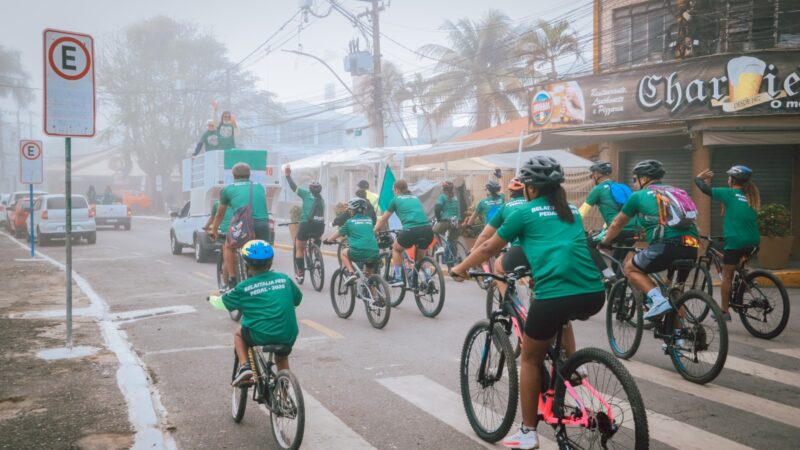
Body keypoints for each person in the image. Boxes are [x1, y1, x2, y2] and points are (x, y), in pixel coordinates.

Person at [452, 156, 605, 450]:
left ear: (531, 188)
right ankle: (571, 366)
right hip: (594, 293)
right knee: (560, 316)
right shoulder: (572, 210)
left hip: (555, 296)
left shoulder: (523, 212)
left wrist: (460, 269)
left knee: (531, 359)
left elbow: (487, 246)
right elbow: (561, 245)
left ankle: (527, 432)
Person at [599, 160, 699, 321]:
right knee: (675, 293)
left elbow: (617, 223)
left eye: (634, 179)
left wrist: (605, 242)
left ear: (644, 178)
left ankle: (658, 301)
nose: (634, 183)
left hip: (667, 247)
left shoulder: (638, 196)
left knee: (630, 269)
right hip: (692, 247)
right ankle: (680, 337)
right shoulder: (677, 191)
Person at [207, 240, 302, 385]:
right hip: (287, 333)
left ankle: (245, 367)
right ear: (270, 263)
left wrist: (212, 298)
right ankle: (284, 394)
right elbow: (297, 300)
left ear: (246, 265)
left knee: (239, 333)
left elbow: (223, 303)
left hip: (261, 335)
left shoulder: (243, 287)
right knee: (282, 358)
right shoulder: (284, 279)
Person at [695, 165, 760, 320]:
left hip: (736, 241)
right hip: (754, 241)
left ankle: (724, 311)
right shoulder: (750, 196)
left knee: (727, 276)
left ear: (732, 179)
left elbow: (704, 189)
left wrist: (698, 178)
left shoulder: (729, 193)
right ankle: (747, 279)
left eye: (729, 177)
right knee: (735, 263)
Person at [209, 163, 270, 288]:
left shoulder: (228, 189)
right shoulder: (259, 187)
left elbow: (219, 214)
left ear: (233, 175)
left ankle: (232, 279)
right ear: (249, 175)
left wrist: (214, 229)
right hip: (263, 224)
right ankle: (264, 276)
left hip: (245, 224)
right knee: (263, 250)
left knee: (228, 246)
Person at [468, 178, 529, 299]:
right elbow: (502, 187)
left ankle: (488, 277)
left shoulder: (483, 202)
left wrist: (468, 224)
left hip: (491, 230)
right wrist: (500, 177)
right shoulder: (501, 198)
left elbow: (473, 217)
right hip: (507, 230)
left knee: (485, 257)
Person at [579, 160, 639, 280]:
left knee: (587, 243)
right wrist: (602, 229)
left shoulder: (598, 189)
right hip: (636, 230)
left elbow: (580, 214)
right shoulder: (621, 187)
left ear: (597, 174)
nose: (592, 178)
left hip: (618, 229)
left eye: (592, 175)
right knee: (616, 262)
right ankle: (619, 289)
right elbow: (619, 213)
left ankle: (606, 273)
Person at [373, 179, 434, 283]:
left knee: (396, 249)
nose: (393, 192)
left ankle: (398, 277)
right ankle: (429, 278)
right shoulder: (415, 198)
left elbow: (384, 219)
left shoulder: (395, 200)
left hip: (411, 230)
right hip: (427, 229)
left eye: (393, 190)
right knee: (420, 258)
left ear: (396, 190)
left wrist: (375, 230)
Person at [284, 165, 325, 284]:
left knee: (299, 248)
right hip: (319, 226)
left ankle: (300, 273)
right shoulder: (322, 200)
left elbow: (293, 187)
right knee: (318, 236)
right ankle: (315, 252)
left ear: (310, 189)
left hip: (305, 224)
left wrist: (287, 176)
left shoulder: (306, 194)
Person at [325, 198, 380, 284]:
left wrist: (328, 240)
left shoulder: (349, 222)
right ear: (364, 210)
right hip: (374, 252)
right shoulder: (369, 220)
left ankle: (351, 273)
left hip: (358, 252)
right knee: (369, 277)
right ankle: (374, 297)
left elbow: (337, 234)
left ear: (353, 211)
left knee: (343, 252)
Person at [434, 180, 462, 265]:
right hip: (456, 221)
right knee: (452, 240)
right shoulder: (455, 198)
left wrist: (439, 219)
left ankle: (440, 247)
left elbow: (437, 208)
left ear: (443, 189)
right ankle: (452, 257)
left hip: (446, 221)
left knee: (434, 231)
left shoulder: (442, 197)